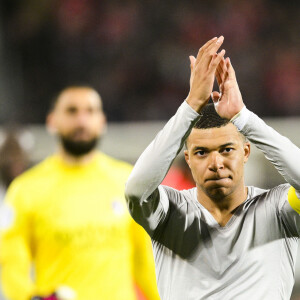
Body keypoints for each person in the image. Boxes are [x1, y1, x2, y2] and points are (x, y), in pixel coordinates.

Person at [125, 36, 300, 299]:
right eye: (201, 152)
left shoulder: (278, 209)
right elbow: (136, 191)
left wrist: (244, 117)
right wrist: (190, 107)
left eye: (226, 150)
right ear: (188, 158)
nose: (216, 163)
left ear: (246, 151)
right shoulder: (170, 213)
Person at [0, 86, 160, 300]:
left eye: (90, 111)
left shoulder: (128, 181)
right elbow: (11, 262)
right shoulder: (26, 189)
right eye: (71, 111)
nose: (82, 121)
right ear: (52, 121)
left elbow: (146, 260)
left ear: (102, 122)